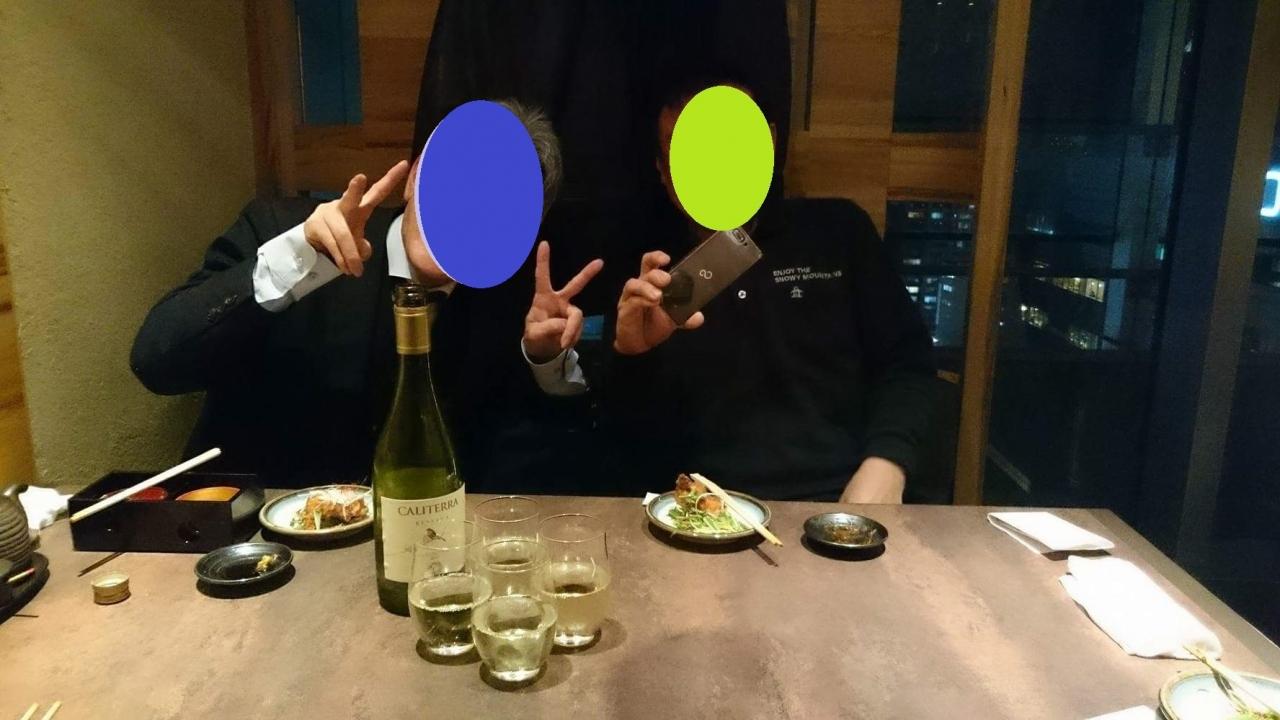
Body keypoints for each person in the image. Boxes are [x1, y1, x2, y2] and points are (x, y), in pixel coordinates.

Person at [528, 73, 936, 503]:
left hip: (835, 499)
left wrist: (887, 464)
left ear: (769, 143)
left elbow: (907, 364)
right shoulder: (645, 264)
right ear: (664, 171)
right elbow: (620, 444)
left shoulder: (838, 231)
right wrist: (632, 355)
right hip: (696, 510)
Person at [130, 101, 581, 489]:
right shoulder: (282, 231)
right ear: (415, 178)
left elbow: (532, 467)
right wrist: (297, 259)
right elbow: (156, 361)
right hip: (255, 534)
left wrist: (545, 362)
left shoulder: (510, 306)